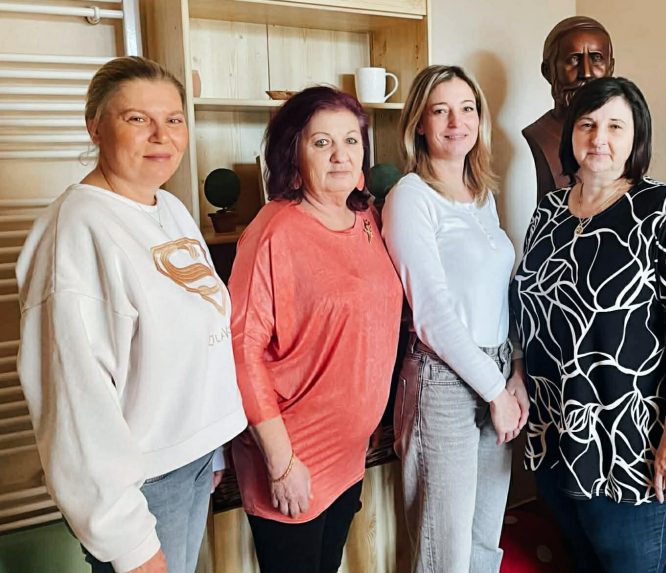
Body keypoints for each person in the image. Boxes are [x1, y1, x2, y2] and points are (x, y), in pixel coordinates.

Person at [15, 57, 247, 573]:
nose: (161, 135)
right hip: (141, 484)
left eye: (174, 119)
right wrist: (129, 545)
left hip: (189, 463)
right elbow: (75, 406)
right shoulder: (76, 232)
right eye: (137, 118)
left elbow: (200, 335)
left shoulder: (169, 208)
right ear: (95, 126)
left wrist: (210, 447)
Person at [510, 77, 666, 573]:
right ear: (571, 133)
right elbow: (528, 307)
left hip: (634, 449)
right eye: (587, 124)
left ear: (637, 137)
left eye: (615, 126)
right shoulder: (548, 213)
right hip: (558, 439)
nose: (598, 138)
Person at [228, 86, 402, 573]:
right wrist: (281, 463)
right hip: (294, 454)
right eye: (322, 142)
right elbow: (242, 350)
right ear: (293, 152)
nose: (340, 155)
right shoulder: (273, 231)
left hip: (349, 454)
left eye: (351, 140)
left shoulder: (365, 217)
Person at [382, 65, 528, 573]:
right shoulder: (409, 196)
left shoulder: (482, 194)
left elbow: (499, 294)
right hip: (441, 381)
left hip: (496, 370)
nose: (456, 122)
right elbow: (432, 313)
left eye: (467, 109)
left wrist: (515, 372)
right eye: (440, 110)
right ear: (419, 124)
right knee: (444, 555)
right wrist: (496, 391)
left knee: (484, 545)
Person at [522, 16, 614, 201]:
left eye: (596, 58)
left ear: (610, 67)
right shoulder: (539, 134)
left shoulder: (624, 134)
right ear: (548, 71)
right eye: (573, 59)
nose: (586, 73)